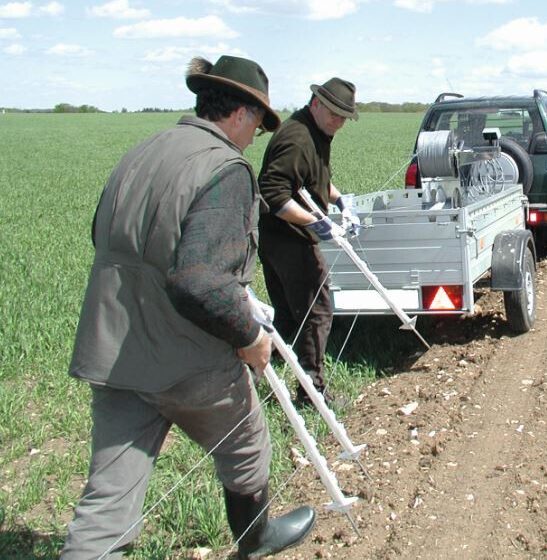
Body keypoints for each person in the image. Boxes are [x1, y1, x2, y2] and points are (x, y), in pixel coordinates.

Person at [62, 56, 315, 560]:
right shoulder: (225, 168)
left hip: (114, 351)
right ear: (241, 114)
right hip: (187, 357)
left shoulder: (142, 151)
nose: (254, 139)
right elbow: (199, 282)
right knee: (247, 444)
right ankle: (256, 538)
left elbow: (103, 237)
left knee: (108, 498)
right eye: (257, 126)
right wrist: (250, 336)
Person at [256, 78, 359, 406]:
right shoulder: (298, 138)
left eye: (344, 117)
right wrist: (315, 222)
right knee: (318, 311)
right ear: (316, 103)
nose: (338, 122)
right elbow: (273, 193)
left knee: (288, 316)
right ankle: (312, 393)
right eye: (334, 114)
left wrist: (340, 201)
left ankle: (257, 371)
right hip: (289, 238)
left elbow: (314, 180)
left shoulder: (317, 131)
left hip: (277, 237)